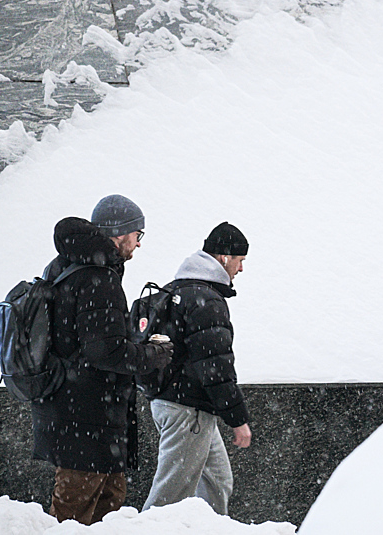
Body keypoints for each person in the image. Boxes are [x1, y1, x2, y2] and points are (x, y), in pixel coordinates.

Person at [31, 195, 174, 525]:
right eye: (138, 235)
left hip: (71, 410)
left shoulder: (65, 267)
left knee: (108, 507)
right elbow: (104, 351)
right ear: (120, 234)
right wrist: (153, 354)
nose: (138, 245)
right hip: (87, 418)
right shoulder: (99, 277)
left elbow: (85, 341)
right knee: (76, 515)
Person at [142, 222, 252, 515]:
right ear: (224, 258)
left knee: (217, 481)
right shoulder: (205, 301)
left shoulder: (177, 290)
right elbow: (215, 365)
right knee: (169, 498)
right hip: (187, 409)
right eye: (240, 261)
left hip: (177, 403)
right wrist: (237, 419)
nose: (241, 269)